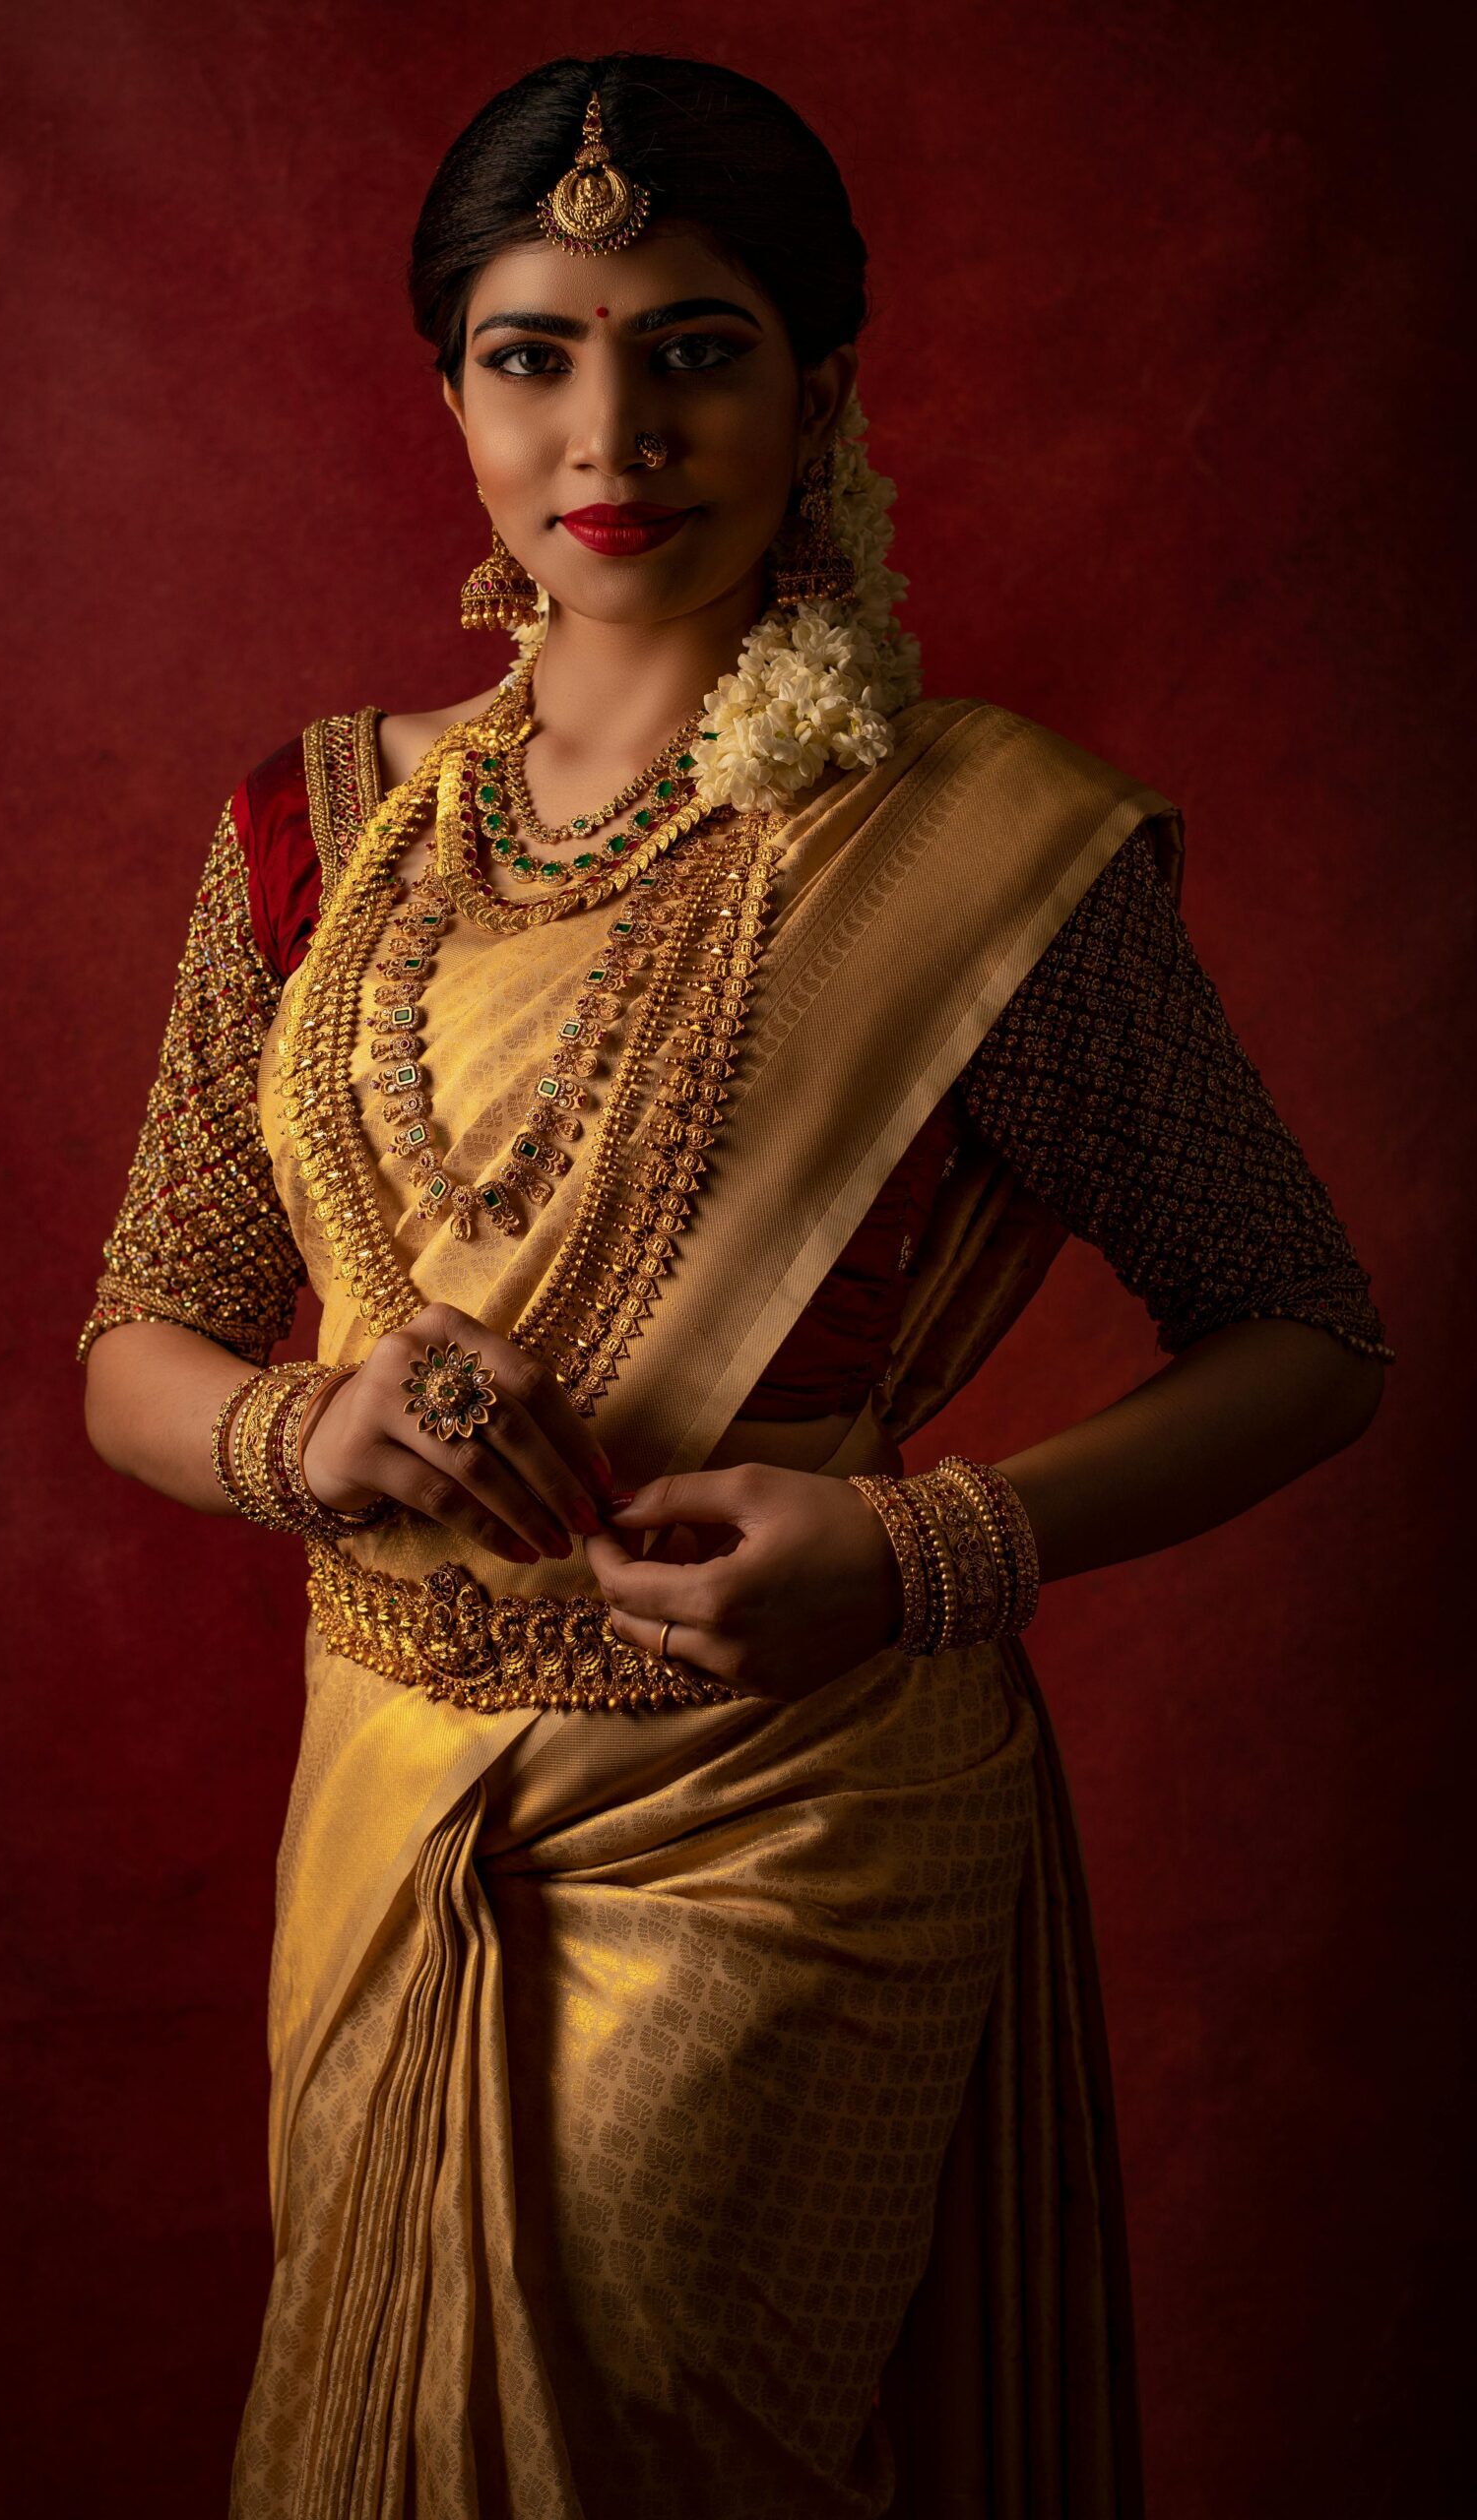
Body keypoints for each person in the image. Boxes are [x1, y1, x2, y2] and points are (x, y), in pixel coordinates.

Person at [79, 52, 1390, 2520]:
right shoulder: (315, 827)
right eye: (530, 353)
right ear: (451, 392)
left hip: (784, 1825)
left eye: (693, 346)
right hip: (377, 1801)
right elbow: (143, 1324)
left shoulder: (980, 842)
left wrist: (926, 1550)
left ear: (822, 389)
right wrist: (302, 1436)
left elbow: (1304, 1329)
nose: (611, 426)